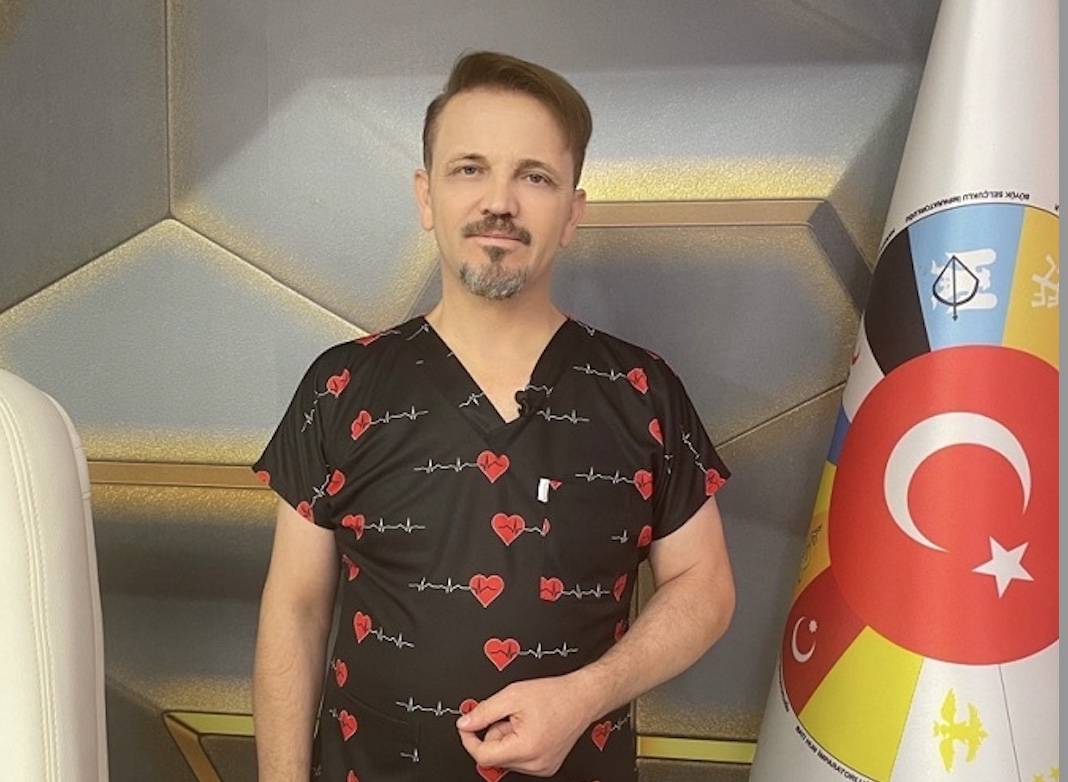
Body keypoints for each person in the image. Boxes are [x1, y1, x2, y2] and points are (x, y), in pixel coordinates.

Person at [251, 50, 736, 782]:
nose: (500, 202)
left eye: (534, 177)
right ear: (427, 197)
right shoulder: (341, 387)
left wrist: (586, 695)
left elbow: (706, 586)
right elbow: (295, 608)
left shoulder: (643, 391)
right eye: (469, 169)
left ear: (572, 212)